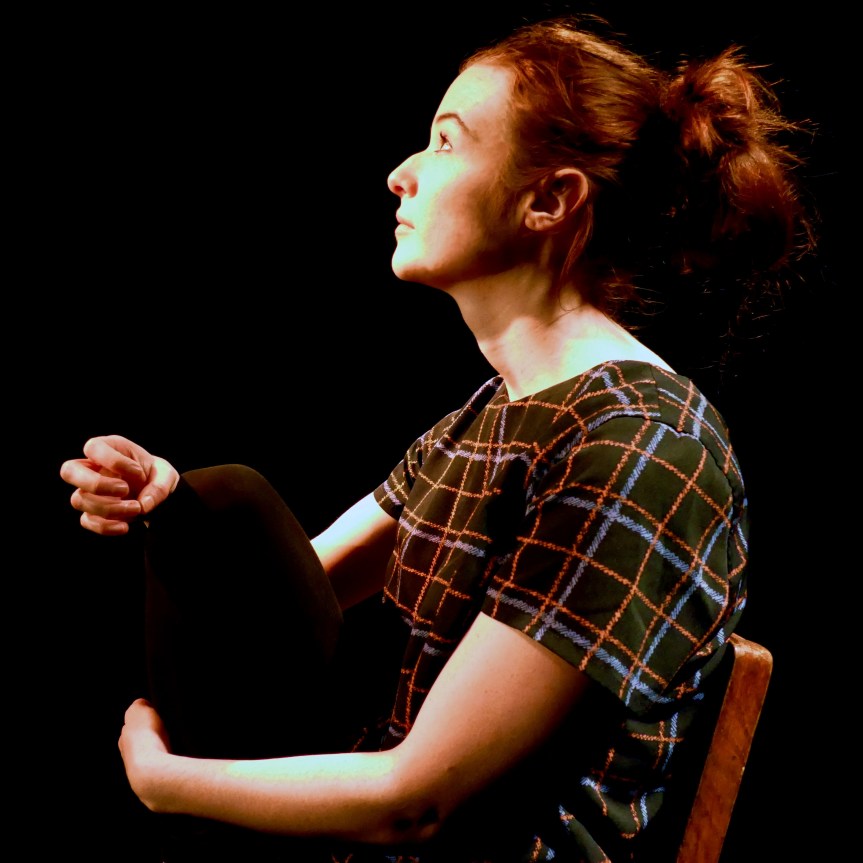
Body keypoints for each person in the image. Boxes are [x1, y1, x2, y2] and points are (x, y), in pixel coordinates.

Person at [59, 15, 813, 863]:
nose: (400, 175)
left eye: (446, 144)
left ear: (548, 200)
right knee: (220, 497)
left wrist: (167, 784)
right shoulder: (500, 410)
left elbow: (418, 801)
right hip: (372, 836)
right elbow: (290, 597)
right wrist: (172, 503)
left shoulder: (638, 445)